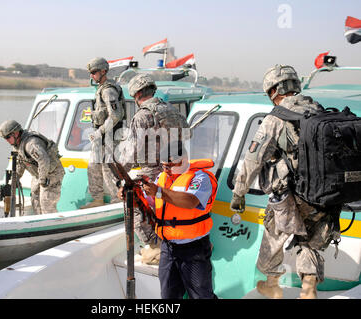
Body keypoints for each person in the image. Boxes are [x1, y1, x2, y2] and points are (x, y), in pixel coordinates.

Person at [230, 64, 342, 299]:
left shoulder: (276, 117)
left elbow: (253, 160)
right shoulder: (319, 110)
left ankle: (272, 286)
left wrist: (238, 193)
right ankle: (309, 290)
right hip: (323, 195)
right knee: (310, 242)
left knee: (273, 234)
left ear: (274, 91)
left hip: (290, 196)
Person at [119, 142, 218, 299]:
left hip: (193, 249)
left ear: (184, 160)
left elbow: (190, 201)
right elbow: (153, 201)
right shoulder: (162, 178)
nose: (166, 169)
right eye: (164, 165)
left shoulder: (200, 177)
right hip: (168, 248)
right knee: (168, 295)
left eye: (170, 165)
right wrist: (132, 196)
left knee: (201, 296)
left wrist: (159, 191)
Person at [120, 73, 190, 263]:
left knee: (132, 201)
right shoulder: (173, 111)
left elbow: (132, 153)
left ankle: (154, 247)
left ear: (137, 94)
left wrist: (120, 172)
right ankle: (170, 240)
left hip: (152, 173)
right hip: (176, 171)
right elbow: (187, 135)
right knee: (167, 207)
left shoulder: (142, 116)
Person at [81, 57, 125, 209]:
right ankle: (97, 199)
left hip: (110, 137)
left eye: (94, 72)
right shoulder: (101, 89)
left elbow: (115, 115)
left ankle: (117, 201)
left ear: (103, 71)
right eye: (90, 73)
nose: (92, 76)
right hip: (101, 138)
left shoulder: (108, 90)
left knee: (109, 170)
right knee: (93, 166)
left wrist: (99, 132)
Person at [0, 120, 65, 215]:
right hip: (39, 173)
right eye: (5, 138)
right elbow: (20, 163)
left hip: (52, 173)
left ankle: (54, 225)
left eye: (8, 137)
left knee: (46, 203)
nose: (7, 140)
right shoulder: (17, 144)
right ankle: (40, 222)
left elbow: (44, 160)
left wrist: (42, 180)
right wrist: (14, 180)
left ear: (16, 133)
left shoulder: (31, 144)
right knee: (35, 198)